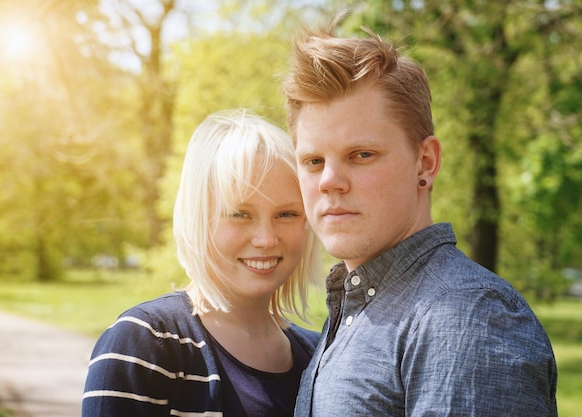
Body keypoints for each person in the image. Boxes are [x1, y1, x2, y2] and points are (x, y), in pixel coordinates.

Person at [281, 15, 558, 417]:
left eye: (362, 155)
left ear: (424, 162)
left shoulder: (466, 318)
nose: (330, 181)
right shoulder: (355, 308)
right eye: (313, 160)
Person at [82, 109, 323, 417]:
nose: (266, 239)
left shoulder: (318, 355)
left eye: (286, 214)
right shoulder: (146, 343)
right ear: (199, 218)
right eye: (240, 214)